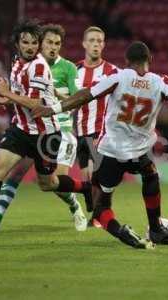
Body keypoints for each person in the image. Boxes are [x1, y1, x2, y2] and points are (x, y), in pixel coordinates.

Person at [32, 41, 168, 249]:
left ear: (127, 61)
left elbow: (85, 95)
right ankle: (155, 229)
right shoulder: (160, 82)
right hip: (139, 151)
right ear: (150, 59)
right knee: (150, 176)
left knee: (102, 206)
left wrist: (53, 109)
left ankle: (122, 232)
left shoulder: (116, 77)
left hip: (110, 152)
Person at [0, 20, 92, 233]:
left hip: (46, 135)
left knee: (47, 184)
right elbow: (22, 94)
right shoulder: (16, 61)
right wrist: (6, 100)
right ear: (17, 44)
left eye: (33, 43)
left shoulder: (39, 66)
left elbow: (36, 104)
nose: (30, 47)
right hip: (21, 130)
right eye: (26, 43)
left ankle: (85, 188)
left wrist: (6, 94)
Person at [74, 26, 117, 220]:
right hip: (81, 131)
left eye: (99, 41)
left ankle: (102, 214)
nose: (96, 44)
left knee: (98, 175)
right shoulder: (75, 70)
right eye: (92, 40)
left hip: (101, 131)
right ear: (84, 44)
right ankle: (94, 210)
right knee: (86, 181)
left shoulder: (112, 71)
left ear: (104, 45)